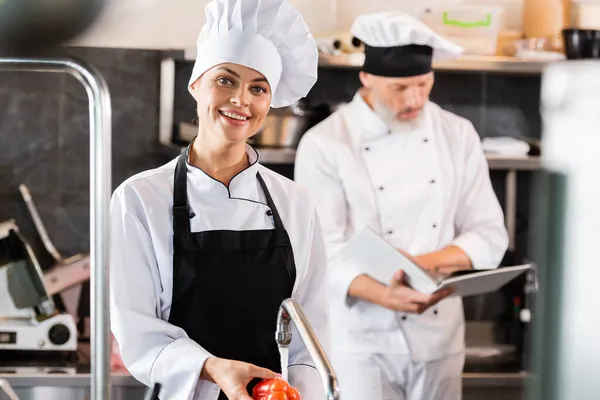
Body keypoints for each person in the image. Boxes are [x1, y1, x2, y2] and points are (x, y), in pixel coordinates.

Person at [109, 1, 330, 399]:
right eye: (226, 80)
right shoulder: (140, 199)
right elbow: (138, 334)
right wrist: (213, 368)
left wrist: (304, 394)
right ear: (196, 84)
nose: (241, 100)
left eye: (258, 88)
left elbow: (311, 333)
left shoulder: (296, 202)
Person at [294, 12, 509, 400]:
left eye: (423, 84)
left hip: (439, 336)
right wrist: (385, 293)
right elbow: (320, 251)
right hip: (361, 339)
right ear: (367, 78)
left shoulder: (456, 134)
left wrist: (420, 268)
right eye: (399, 87)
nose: (413, 100)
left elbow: (489, 233)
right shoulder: (325, 143)